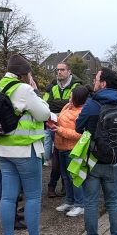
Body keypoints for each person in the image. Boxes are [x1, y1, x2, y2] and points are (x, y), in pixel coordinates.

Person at [0, 54, 55, 235]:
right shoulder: (24, 89)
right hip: (24, 149)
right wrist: (35, 91)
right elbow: (44, 114)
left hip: (2, 149)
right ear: (24, 74)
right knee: (33, 197)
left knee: (7, 198)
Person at [76, 67, 117, 235]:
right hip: (113, 160)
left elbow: (78, 127)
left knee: (90, 203)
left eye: (97, 78)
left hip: (92, 160)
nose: (94, 81)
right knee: (113, 202)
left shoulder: (92, 104)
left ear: (103, 83)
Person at [43, 62, 83, 198]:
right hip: (55, 126)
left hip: (70, 127)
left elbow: (76, 103)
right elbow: (46, 104)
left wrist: (57, 105)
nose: (59, 72)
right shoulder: (53, 87)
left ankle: (67, 191)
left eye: (62, 70)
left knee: (67, 160)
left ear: (69, 71)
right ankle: (52, 186)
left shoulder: (77, 86)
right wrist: (64, 103)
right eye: (57, 69)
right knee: (57, 158)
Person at [54, 85, 89, 216]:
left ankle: (80, 204)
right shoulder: (67, 107)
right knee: (65, 177)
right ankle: (69, 200)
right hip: (61, 147)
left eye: (71, 96)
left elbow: (80, 134)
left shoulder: (82, 112)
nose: (69, 98)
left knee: (74, 177)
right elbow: (60, 120)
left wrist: (59, 130)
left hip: (72, 149)